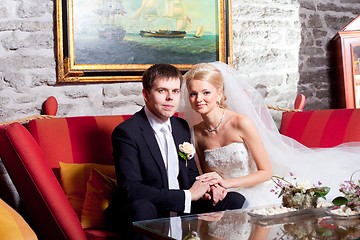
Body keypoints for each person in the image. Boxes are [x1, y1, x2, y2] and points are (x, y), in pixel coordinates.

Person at [181, 62, 360, 208]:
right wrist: (214, 187)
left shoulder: (240, 123)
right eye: (193, 94)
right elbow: (209, 175)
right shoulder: (196, 132)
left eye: (206, 92)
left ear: (219, 94)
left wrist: (227, 183)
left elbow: (266, 172)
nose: (199, 99)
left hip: (255, 192)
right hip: (225, 197)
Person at [109, 63, 245, 239]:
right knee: (142, 208)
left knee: (233, 199)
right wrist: (186, 195)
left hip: (183, 206)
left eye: (175, 91)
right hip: (150, 208)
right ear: (146, 95)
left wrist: (208, 189)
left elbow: (190, 173)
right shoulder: (127, 132)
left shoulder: (181, 126)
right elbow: (132, 190)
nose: (169, 98)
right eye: (161, 91)